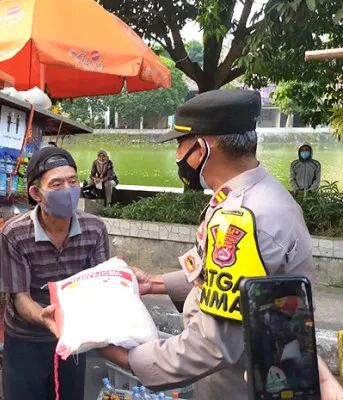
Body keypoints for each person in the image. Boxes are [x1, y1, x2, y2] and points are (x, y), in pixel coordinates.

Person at [98, 90, 315, 399]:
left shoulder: (243, 219)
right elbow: (230, 284)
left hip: (239, 385)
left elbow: (214, 345)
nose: (177, 156)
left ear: (201, 149)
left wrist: (127, 358)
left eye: (179, 145)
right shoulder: (257, 193)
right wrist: (155, 283)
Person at [0, 147, 109, 400]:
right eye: (56, 184)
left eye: (72, 182)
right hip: (26, 339)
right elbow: (19, 297)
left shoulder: (95, 229)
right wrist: (45, 317)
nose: (68, 191)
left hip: (74, 339)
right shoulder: (15, 233)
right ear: (37, 193)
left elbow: (101, 286)